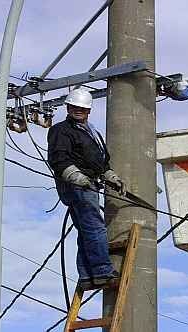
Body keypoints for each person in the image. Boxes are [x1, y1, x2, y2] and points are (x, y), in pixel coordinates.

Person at [47, 88, 124, 288]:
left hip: (89, 183)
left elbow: (101, 162)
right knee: (96, 228)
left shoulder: (92, 133)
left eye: (82, 108)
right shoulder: (61, 130)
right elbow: (58, 158)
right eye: (74, 107)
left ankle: (88, 276)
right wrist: (76, 176)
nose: (78, 110)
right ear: (68, 107)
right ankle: (102, 272)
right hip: (76, 187)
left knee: (86, 229)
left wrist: (110, 177)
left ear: (88, 110)